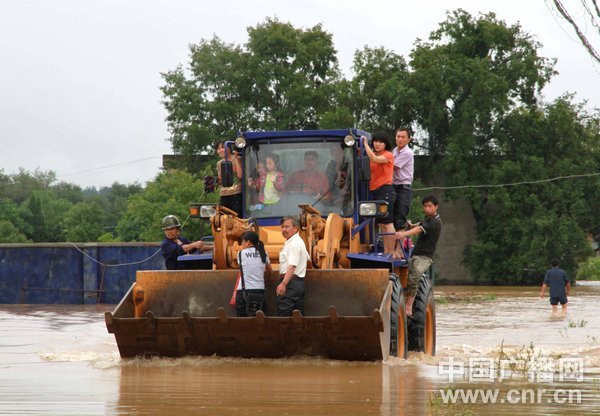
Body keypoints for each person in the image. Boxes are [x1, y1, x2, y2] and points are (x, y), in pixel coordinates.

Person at [394, 195, 442, 317]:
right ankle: (403, 299)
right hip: (416, 255)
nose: (427, 209)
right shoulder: (428, 219)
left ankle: (409, 307)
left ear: (436, 207)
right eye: (425, 206)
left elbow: (419, 230)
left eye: (430, 206)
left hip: (425, 257)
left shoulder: (435, 222)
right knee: (408, 276)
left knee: (414, 276)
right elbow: (419, 225)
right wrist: (411, 225)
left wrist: (403, 234)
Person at [362, 132, 397, 257]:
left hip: (385, 190)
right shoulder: (373, 154)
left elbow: (374, 159)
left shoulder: (388, 155)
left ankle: (391, 251)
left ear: (385, 144)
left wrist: (365, 143)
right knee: (382, 223)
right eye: (375, 141)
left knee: (388, 223)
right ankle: (386, 251)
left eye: (380, 142)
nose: (377, 144)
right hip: (375, 191)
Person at [276, 216, 310, 316]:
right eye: (282, 227)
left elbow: (292, 266)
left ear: (295, 228)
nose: (283, 230)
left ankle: (286, 332)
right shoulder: (295, 242)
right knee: (297, 314)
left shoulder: (294, 244)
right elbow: (308, 259)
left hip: (291, 283)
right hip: (297, 283)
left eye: (287, 227)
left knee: (284, 311)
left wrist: (283, 284)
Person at [235, 231, 272, 317]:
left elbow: (242, 269)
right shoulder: (264, 253)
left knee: (242, 320)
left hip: (243, 291)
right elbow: (270, 271)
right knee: (258, 319)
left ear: (248, 242)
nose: (242, 244)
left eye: (242, 242)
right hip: (259, 290)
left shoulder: (240, 254)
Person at [392, 127, 414, 231]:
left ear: (408, 139)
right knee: (389, 219)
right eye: (398, 136)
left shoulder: (407, 152)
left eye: (403, 137)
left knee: (399, 221)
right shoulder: (395, 150)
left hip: (403, 189)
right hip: (393, 187)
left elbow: (392, 167)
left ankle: (399, 247)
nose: (399, 139)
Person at [216, 140, 243, 217]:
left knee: (236, 218)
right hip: (224, 194)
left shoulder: (238, 158)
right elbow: (220, 180)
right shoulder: (219, 163)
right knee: (223, 218)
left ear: (228, 148)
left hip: (236, 193)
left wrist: (236, 159)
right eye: (218, 149)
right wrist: (214, 181)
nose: (220, 150)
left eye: (223, 148)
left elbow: (240, 176)